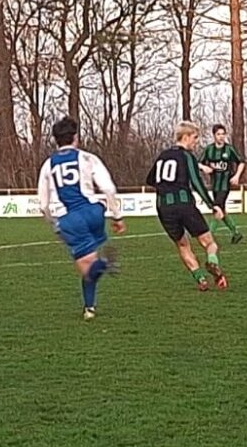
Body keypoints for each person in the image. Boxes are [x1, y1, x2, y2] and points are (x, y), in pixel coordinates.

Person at [37, 117, 126, 321]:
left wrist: (54, 224)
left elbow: (43, 204)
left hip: (70, 220)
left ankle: (104, 265)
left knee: (87, 268)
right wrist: (117, 216)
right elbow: (108, 188)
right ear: (75, 137)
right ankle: (89, 308)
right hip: (94, 212)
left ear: (56, 140)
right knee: (89, 263)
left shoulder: (48, 165)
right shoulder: (87, 158)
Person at [147, 121, 229, 291]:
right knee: (209, 243)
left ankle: (200, 278)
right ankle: (213, 263)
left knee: (182, 245)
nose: (196, 142)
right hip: (184, 205)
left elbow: (150, 179)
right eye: (194, 138)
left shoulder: (162, 155)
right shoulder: (187, 156)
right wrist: (212, 205)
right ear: (185, 137)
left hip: (164, 207)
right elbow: (197, 182)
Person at [199, 124, 245, 244]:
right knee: (221, 210)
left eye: (223, 134)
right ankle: (236, 233)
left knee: (217, 208)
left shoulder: (229, 149)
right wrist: (204, 167)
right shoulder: (209, 149)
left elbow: (241, 162)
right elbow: (198, 163)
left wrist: (237, 176)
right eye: (218, 134)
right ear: (214, 135)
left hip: (225, 185)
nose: (221, 136)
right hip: (215, 185)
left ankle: (209, 237)